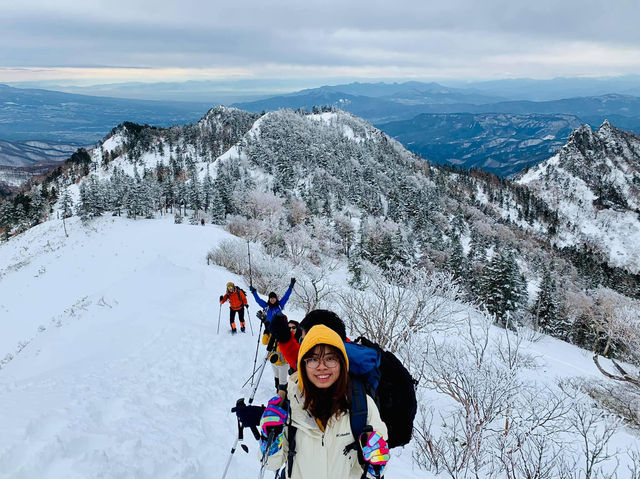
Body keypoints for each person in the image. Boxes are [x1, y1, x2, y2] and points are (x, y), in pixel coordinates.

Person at [258, 325, 390, 478]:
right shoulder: (288, 403)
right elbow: (271, 464)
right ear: (303, 365)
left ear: (342, 363)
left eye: (330, 358)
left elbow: (374, 470)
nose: (322, 367)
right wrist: (270, 438)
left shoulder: (362, 405)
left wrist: (375, 466)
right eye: (313, 359)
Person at [251, 279, 296, 392]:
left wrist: (290, 286)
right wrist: (254, 292)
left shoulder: (280, 306)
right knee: (272, 352)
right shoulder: (266, 307)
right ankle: (278, 386)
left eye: (274, 297)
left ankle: (283, 384)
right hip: (270, 331)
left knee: (281, 351)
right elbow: (257, 300)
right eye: (271, 298)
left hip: (280, 332)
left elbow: (286, 296)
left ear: (276, 298)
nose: (272, 299)